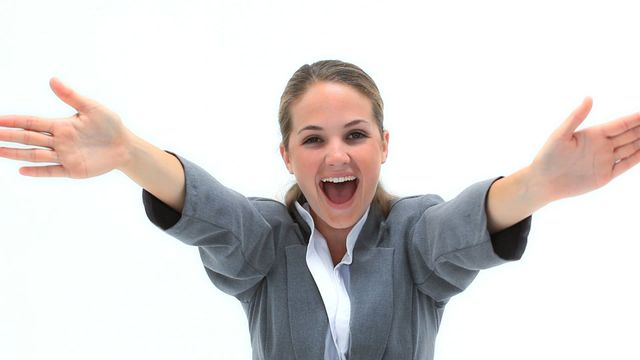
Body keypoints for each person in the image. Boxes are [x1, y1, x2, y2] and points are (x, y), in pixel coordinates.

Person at [1, 60, 639, 360]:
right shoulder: (265, 243)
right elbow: (213, 212)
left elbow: (463, 228)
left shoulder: (414, 236)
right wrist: (127, 152)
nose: (337, 153)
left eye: (356, 134)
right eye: (314, 139)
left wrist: (537, 185)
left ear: (384, 146)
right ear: (287, 155)